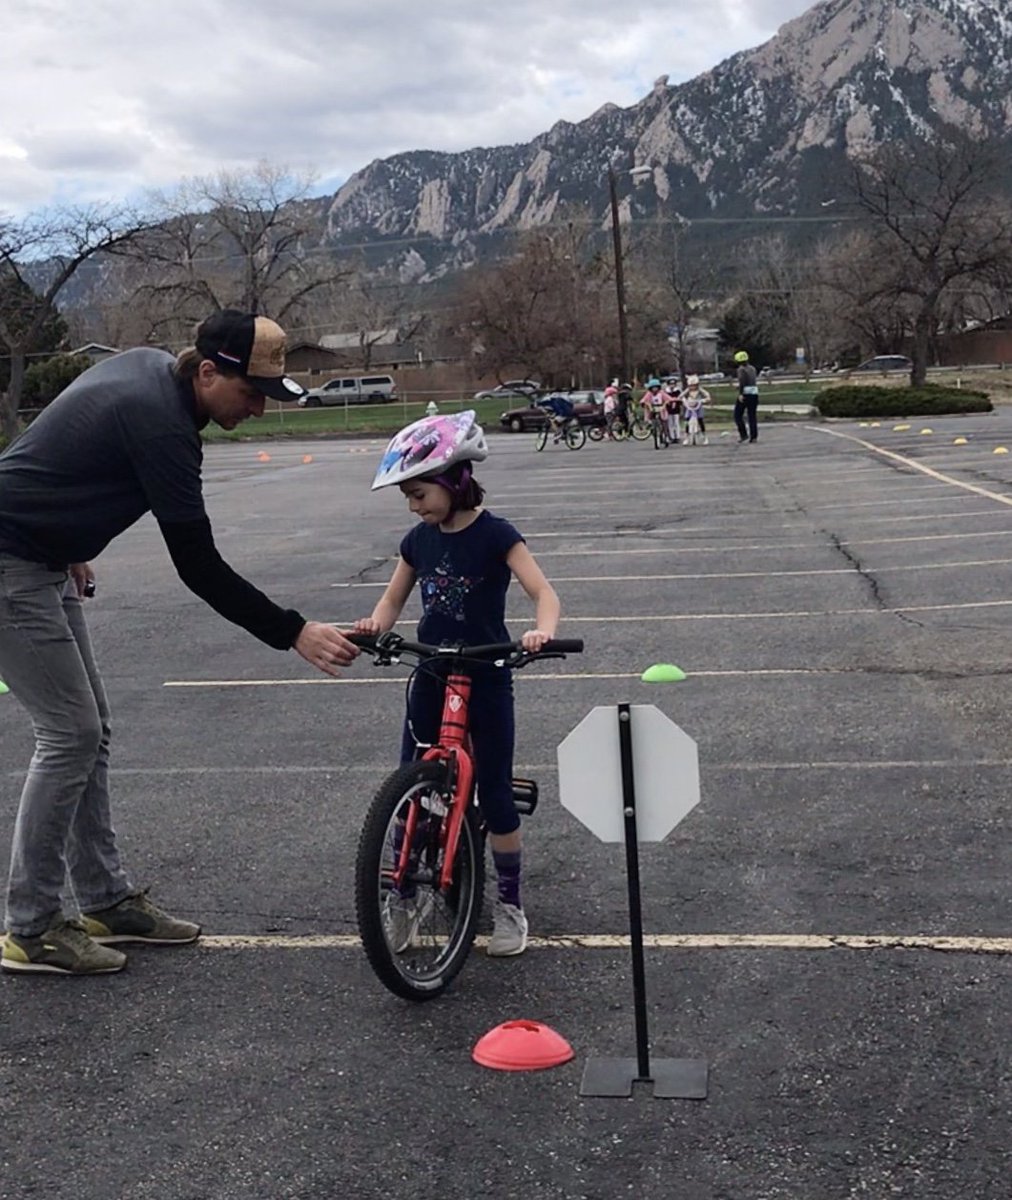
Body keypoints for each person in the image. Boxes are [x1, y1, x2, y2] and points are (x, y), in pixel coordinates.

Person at [0, 309, 360, 976]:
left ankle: (105, 900)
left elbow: (59, 450)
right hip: (10, 562)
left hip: (41, 554)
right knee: (70, 733)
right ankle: (32, 927)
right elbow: (197, 565)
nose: (258, 409)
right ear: (208, 372)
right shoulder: (163, 424)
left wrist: (66, 537)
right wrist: (292, 630)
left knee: (89, 732)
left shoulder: (150, 373)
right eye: (251, 393)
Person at [354, 411, 561, 958]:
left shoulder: (497, 535)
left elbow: (543, 592)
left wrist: (540, 632)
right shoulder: (418, 541)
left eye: (419, 494)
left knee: (494, 792)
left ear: (455, 480)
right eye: (408, 497)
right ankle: (400, 895)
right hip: (432, 669)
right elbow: (393, 598)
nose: (413, 506)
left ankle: (510, 906)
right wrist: (376, 624)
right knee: (410, 785)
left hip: (487, 670)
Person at [734, 350, 760, 443]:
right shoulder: (752, 368)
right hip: (754, 392)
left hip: (745, 393)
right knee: (752, 415)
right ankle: (754, 436)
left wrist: (740, 393)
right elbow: (751, 381)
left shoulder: (741, 369)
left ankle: (743, 434)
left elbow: (742, 382)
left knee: (737, 415)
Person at [681, 375, 710, 445]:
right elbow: (681, 395)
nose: (693, 387)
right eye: (691, 386)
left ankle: (704, 437)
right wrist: (683, 400)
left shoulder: (700, 389)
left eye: (694, 385)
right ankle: (686, 437)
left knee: (700, 420)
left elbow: (707, 394)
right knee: (687, 421)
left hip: (698, 406)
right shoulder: (688, 390)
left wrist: (705, 399)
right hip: (690, 406)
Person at [663, 380, 682, 444]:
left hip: (676, 409)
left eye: (673, 384)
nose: (672, 385)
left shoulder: (678, 391)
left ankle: (678, 437)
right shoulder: (666, 391)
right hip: (669, 409)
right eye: (670, 384)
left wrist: (677, 402)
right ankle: (672, 437)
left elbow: (680, 399)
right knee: (670, 423)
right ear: (668, 384)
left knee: (676, 423)